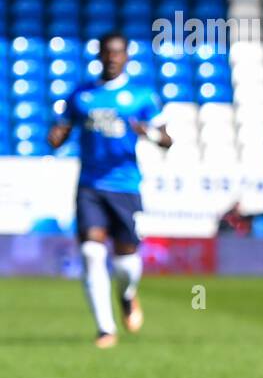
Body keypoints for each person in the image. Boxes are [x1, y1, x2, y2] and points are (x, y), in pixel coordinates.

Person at [47, 32, 173, 348]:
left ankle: (127, 294)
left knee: (126, 259)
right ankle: (106, 329)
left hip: (125, 186)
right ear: (100, 56)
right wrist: (57, 136)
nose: (113, 58)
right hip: (90, 184)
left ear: (127, 57)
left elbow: (168, 139)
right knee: (91, 252)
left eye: (119, 53)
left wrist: (150, 135)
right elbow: (61, 129)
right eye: (108, 53)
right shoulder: (81, 95)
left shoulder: (142, 96)